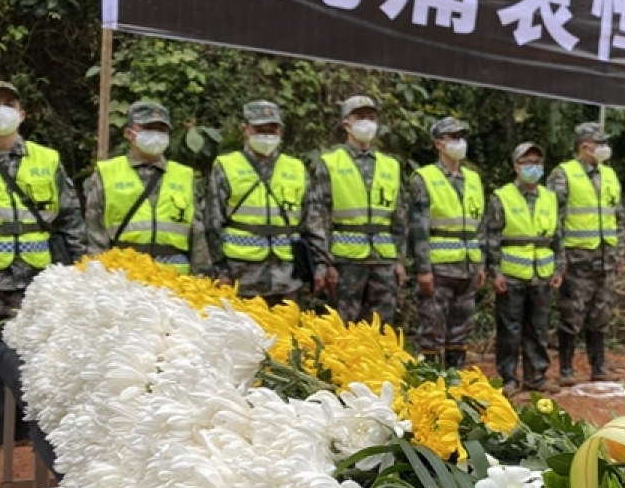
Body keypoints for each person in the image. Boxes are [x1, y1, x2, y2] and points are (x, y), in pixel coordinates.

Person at [0, 79, 86, 348]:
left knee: (28, 361)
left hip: (34, 283)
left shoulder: (47, 159)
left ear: (21, 114)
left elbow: (71, 219)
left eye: (9, 104)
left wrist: (80, 272)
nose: (0, 110)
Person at [204, 100, 325, 306]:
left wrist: (320, 264)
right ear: (246, 129)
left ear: (281, 131)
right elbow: (212, 224)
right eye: (260, 129)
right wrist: (220, 272)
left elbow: (312, 221)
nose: (267, 135)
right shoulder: (226, 166)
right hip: (241, 278)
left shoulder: (295, 167)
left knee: (287, 336)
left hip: (288, 278)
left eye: (272, 129)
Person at [311, 96, 406, 325]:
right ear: (346, 123)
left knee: (382, 328)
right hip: (345, 260)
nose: (367, 122)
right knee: (343, 327)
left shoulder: (390, 165)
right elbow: (318, 216)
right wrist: (325, 263)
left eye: (371, 117)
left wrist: (399, 260)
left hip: (383, 260)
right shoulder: (330, 163)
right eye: (360, 117)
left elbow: (399, 218)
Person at [547, 122, 625, 385]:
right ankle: (567, 369)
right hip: (577, 259)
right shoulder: (563, 174)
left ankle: (598, 366)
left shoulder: (610, 175)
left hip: (605, 259)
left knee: (601, 316)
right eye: (600, 143)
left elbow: (620, 217)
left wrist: (619, 253)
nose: (605, 148)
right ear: (585, 146)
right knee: (572, 315)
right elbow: (552, 220)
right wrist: (559, 260)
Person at [83, 101, 206, 273]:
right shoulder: (107, 172)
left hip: (176, 279)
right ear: (129, 133)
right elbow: (95, 231)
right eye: (148, 128)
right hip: (124, 276)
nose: (155, 134)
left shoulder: (185, 175)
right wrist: (96, 274)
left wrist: (201, 277)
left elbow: (198, 234)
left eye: (161, 130)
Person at [486, 142, 563, 396]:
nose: (533, 167)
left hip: (541, 274)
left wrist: (559, 268)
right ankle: (508, 378)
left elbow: (558, 237)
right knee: (509, 329)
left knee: (538, 328)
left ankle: (536, 375)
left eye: (537, 163)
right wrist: (494, 272)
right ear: (515, 166)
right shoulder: (502, 197)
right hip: (511, 275)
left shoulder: (550, 198)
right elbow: (492, 237)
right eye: (527, 162)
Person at [409, 116, 485, 369]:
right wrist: (423, 269)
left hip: (467, 266)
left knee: (461, 329)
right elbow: (419, 228)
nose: (460, 143)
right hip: (439, 269)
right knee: (432, 328)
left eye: (463, 137)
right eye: (454, 137)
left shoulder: (473, 179)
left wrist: (481, 264)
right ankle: (430, 383)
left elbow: (479, 225)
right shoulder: (424, 178)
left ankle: (455, 380)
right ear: (439, 144)